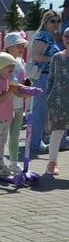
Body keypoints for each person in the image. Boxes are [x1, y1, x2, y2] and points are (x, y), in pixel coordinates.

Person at [0, 52, 38, 174]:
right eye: (8, 66)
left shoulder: (8, 79)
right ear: (0, 68)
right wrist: (10, 90)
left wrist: (30, 92)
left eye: (12, 65)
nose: (12, 68)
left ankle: (0, 164)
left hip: (7, 116)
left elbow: (17, 92)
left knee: (2, 141)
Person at [27, 11, 61, 152]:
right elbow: (36, 56)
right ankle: (35, 143)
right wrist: (55, 58)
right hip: (43, 77)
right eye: (52, 21)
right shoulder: (44, 36)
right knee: (39, 111)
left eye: (58, 21)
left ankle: (38, 140)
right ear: (46, 22)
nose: (56, 24)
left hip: (48, 77)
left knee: (43, 111)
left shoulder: (50, 36)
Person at [3, 32, 30, 171]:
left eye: (22, 45)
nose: (21, 48)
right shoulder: (4, 61)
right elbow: (6, 82)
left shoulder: (20, 61)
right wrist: (20, 90)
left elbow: (24, 78)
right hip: (6, 105)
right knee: (1, 136)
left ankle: (13, 163)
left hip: (19, 105)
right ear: (9, 46)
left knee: (15, 134)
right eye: (18, 45)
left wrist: (29, 86)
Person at [45, 27, 69, 174]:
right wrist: (48, 97)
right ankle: (52, 163)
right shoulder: (57, 57)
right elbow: (51, 78)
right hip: (59, 100)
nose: (68, 39)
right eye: (66, 36)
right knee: (57, 131)